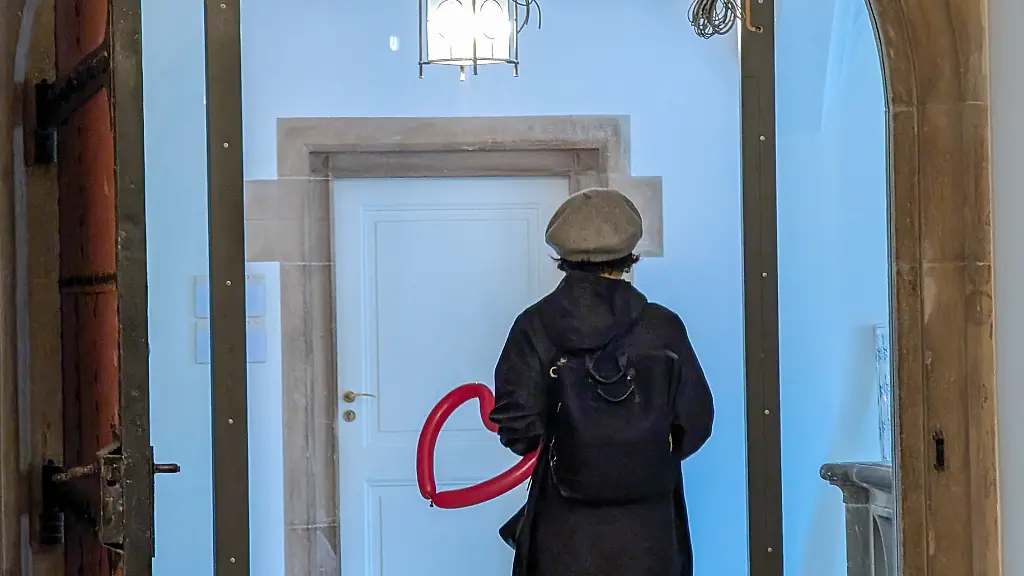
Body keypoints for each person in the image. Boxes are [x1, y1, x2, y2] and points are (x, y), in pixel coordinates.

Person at [489, 187, 715, 576]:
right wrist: (639, 452)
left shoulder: (534, 326)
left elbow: (517, 430)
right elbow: (696, 423)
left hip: (564, 534)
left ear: (562, 256)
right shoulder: (662, 327)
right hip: (650, 533)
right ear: (629, 254)